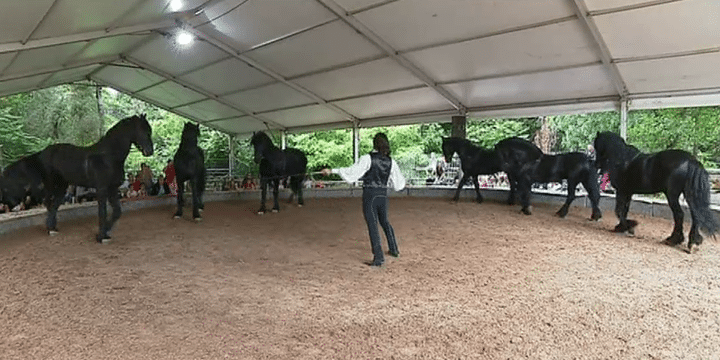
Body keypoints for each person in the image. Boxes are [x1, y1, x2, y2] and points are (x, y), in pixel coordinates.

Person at [321, 133, 406, 267]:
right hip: (383, 195)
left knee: (372, 225)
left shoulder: (367, 158)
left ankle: (378, 258)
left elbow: (352, 171)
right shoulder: (391, 161)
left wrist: (333, 170)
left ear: (374, 144)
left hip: (370, 194)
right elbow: (398, 183)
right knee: (384, 221)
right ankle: (394, 248)